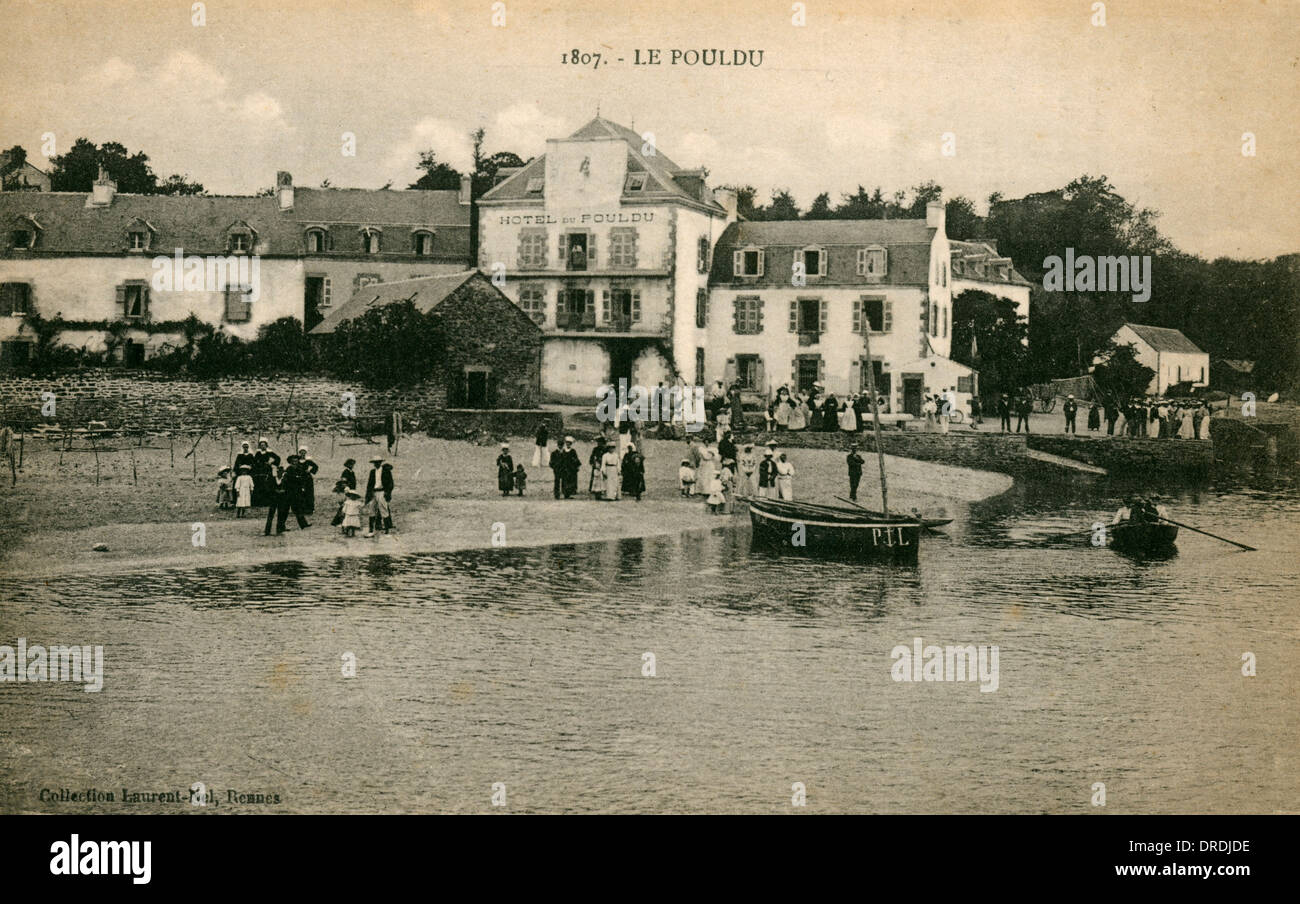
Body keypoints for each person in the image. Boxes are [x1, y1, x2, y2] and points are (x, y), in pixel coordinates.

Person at [252, 439, 280, 507]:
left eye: (264, 445)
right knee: (259, 485)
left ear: (266, 445)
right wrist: (257, 464)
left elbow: (278, 458)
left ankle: (267, 502)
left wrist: (271, 462)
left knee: (267, 484)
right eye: (261, 445)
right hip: (259, 470)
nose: (262, 446)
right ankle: (259, 502)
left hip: (267, 469)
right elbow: (254, 461)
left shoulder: (269, 452)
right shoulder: (258, 453)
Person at [297, 446, 319, 515]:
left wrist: (310, 471)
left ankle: (309, 509)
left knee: (309, 493)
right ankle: (301, 509)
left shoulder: (308, 461)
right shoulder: (296, 461)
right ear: (299, 453)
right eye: (301, 452)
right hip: (299, 479)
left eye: (304, 453)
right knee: (300, 494)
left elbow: (315, 466)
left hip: (307, 479)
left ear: (305, 453)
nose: (302, 454)